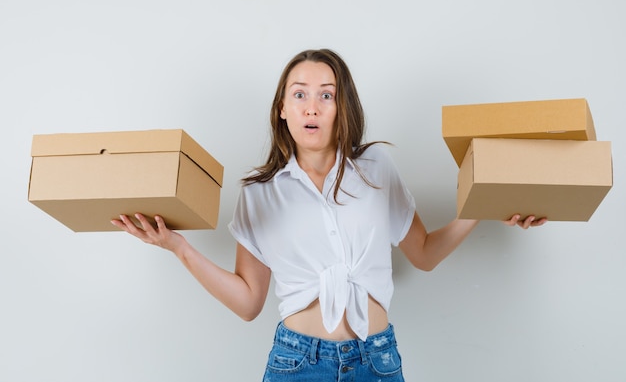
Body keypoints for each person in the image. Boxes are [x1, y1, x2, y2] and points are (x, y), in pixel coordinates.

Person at [111, 49, 546, 381]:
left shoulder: (378, 170)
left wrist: (483, 204)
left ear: (343, 108)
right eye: (299, 94)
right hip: (297, 362)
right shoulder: (260, 194)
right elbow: (248, 303)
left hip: (376, 360)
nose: (311, 107)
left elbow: (424, 254)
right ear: (283, 109)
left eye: (326, 95)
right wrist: (177, 247)